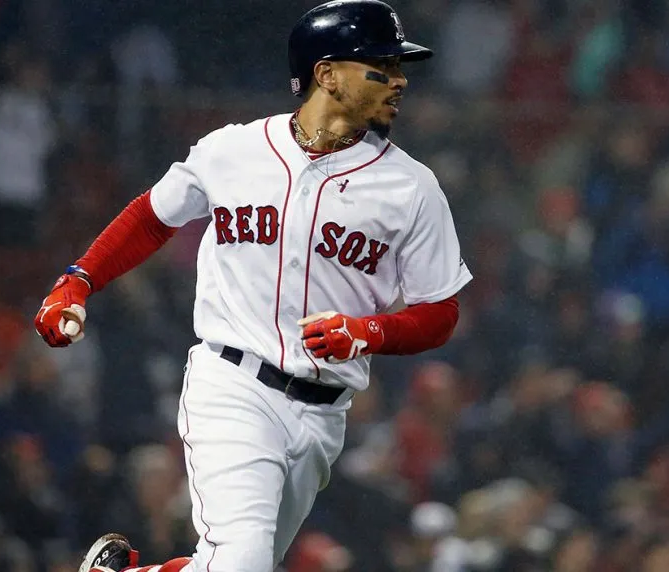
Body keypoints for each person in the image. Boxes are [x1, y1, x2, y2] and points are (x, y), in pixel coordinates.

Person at [33, 1, 472, 570]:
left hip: (323, 415)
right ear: (327, 74)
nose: (399, 80)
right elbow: (152, 216)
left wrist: (369, 332)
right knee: (241, 564)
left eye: (397, 68)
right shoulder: (234, 149)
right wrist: (78, 280)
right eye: (381, 67)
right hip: (233, 385)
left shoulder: (412, 188)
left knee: (230, 565)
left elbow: (441, 312)